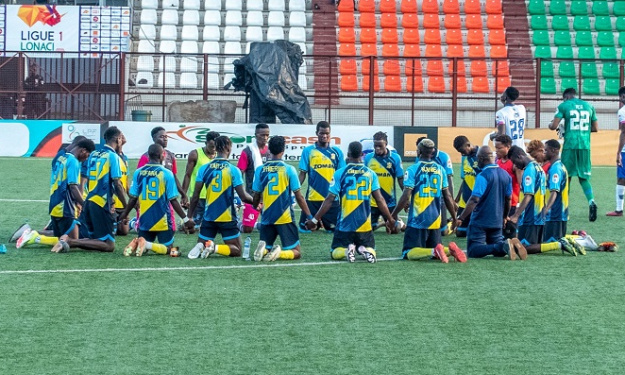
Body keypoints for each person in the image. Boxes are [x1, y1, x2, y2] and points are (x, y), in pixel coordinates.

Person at [306, 141, 397, 263]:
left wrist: (315, 220)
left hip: (345, 224)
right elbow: (380, 200)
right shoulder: (370, 174)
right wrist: (390, 220)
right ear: (361, 154)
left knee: (335, 252)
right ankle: (364, 250)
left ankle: (347, 251)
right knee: (372, 249)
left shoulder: (339, 173)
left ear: (348, 154)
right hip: (364, 225)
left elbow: (329, 199)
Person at [50, 126, 128, 253]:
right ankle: (70, 241)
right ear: (118, 139)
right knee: (109, 245)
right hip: (101, 203)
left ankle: (69, 240)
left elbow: (88, 180)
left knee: (94, 238)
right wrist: (125, 206)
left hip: (90, 200)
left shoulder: (93, 154)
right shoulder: (113, 157)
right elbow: (117, 184)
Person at [393, 139, 465, 263]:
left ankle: (435, 251)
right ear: (432, 153)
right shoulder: (440, 170)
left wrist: (393, 214)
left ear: (419, 152)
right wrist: (454, 217)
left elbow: (406, 195)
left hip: (418, 220)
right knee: (434, 250)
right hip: (435, 220)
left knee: (408, 252)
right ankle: (448, 250)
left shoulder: (412, 170)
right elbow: (447, 197)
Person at [16, 138, 95, 249]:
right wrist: (83, 204)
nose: (86, 158)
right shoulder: (73, 162)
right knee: (73, 240)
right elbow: (73, 187)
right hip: (66, 207)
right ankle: (35, 237)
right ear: (83, 150)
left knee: (60, 236)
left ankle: (30, 233)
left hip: (55, 204)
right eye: (87, 155)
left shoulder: (61, 157)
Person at [118, 144, 194, 257]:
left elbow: (133, 198)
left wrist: (124, 214)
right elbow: (173, 201)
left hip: (145, 220)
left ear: (148, 155)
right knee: (171, 250)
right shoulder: (167, 173)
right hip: (162, 220)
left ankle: (139, 243)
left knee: (143, 248)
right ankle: (147, 245)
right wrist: (186, 219)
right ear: (162, 156)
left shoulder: (138, 172)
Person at [187, 136, 254, 259]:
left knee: (201, 243)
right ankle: (214, 247)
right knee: (237, 250)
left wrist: (189, 217)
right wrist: (258, 201)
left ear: (216, 148)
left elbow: (195, 196)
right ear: (229, 148)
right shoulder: (233, 170)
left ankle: (202, 245)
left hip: (209, 216)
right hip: (227, 217)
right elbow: (243, 197)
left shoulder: (204, 169)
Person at [456, 145, 526, 260]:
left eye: (478, 159)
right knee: (499, 250)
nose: (477, 162)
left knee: (473, 250)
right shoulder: (506, 175)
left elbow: (474, 199)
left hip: (480, 221)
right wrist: (504, 217)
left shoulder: (483, 176)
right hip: (497, 221)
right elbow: (508, 199)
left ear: (483, 159)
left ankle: (501, 246)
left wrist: (461, 217)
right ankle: (506, 245)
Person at [507, 146, 578, 256]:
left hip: (530, 217)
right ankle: (569, 240)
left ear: (519, 156)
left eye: (514, 161)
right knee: (534, 245)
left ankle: (560, 244)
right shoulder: (538, 167)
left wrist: (516, 215)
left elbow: (528, 195)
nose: (515, 165)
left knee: (522, 248)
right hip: (538, 216)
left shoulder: (530, 170)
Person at [251, 136, 313, 261]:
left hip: (267, 217)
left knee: (267, 246)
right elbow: (299, 196)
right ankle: (279, 254)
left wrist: (255, 206)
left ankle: (264, 250)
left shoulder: (260, 170)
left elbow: (256, 194)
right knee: (296, 251)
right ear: (283, 151)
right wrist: (309, 216)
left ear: (269, 150)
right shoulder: (289, 169)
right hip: (284, 217)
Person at [548, 88, 599, 222]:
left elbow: (554, 126)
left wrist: (554, 125)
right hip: (585, 146)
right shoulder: (589, 106)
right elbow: (595, 128)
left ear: (565, 97)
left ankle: (564, 208)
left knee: (567, 176)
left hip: (570, 145)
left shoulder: (564, 106)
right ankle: (591, 201)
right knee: (583, 177)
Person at [299, 121, 345, 233]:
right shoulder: (308, 151)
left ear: (330, 134)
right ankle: (317, 222)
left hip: (331, 199)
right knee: (304, 229)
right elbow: (302, 174)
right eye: (321, 133)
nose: (324, 136)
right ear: (316, 133)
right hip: (312, 199)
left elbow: (342, 175)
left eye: (327, 133)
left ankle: (322, 222)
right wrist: (294, 190)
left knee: (334, 230)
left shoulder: (337, 152)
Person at [137, 126, 186, 231]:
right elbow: (139, 179)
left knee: (171, 229)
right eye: (162, 136)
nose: (165, 139)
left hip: (166, 199)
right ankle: (134, 223)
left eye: (166, 136)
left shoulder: (171, 156)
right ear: (154, 138)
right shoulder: (145, 157)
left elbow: (174, 177)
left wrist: (183, 194)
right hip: (149, 199)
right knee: (144, 228)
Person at [542, 140, 584, 255]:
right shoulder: (559, 166)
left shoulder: (556, 169)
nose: (544, 153)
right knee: (555, 239)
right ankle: (575, 240)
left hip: (555, 213)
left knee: (551, 243)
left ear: (554, 151)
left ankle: (576, 241)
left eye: (546, 150)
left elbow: (554, 192)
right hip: (560, 212)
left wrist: (546, 209)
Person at [364, 131, 404, 231]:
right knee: (367, 229)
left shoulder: (395, 158)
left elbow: (400, 178)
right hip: (373, 202)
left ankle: (401, 224)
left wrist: (406, 197)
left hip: (389, 202)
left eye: (380, 146)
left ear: (386, 144)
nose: (377, 148)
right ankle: (382, 223)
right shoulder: (368, 158)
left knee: (393, 231)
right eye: (375, 145)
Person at [417, 136, 455, 235]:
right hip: (424, 196)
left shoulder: (443, 157)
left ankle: (450, 223)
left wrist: (451, 200)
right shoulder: (418, 159)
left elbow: (449, 179)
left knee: (443, 232)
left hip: (440, 197)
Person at [237, 124, 270, 233]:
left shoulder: (271, 151)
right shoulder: (247, 151)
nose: (265, 138)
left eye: (267, 135)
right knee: (247, 229)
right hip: (252, 196)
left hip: (269, 195)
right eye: (262, 135)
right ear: (255, 135)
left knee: (273, 227)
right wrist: (239, 194)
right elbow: (239, 174)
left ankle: (258, 224)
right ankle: (236, 223)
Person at [182, 131, 220, 226]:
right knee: (195, 226)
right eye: (211, 146)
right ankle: (184, 222)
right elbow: (187, 175)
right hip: (198, 196)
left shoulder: (219, 156)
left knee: (214, 226)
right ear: (206, 143)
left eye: (216, 146)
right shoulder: (195, 154)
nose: (214, 149)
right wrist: (184, 195)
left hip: (214, 196)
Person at [453, 135, 481, 237]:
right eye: (459, 152)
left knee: (476, 233)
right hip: (465, 201)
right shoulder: (465, 158)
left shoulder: (481, 156)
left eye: (462, 151)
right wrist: (456, 199)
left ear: (468, 145)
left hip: (477, 200)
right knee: (460, 232)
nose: (461, 154)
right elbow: (465, 179)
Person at [607, 86, 625, 217]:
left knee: (621, 179)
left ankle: (619, 210)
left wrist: (618, 152)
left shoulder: (622, 111)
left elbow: (624, 132)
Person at [494, 135, 520, 216]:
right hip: (499, 203)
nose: (496, 151)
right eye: (496, 148)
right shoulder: (498, 162)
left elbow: (521, 184)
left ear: (508, 147)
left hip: (512, 204)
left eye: (499, 148)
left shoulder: (515, 163)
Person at [114, 133, 130, 236]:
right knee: (113, 232)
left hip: (121, 200)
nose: (124, 138)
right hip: (112, 201)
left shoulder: (124, 157)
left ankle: (132, 223)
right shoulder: (111, 157)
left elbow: (126, 180)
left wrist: (132, 197)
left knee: (124, 232)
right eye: (121, 136)